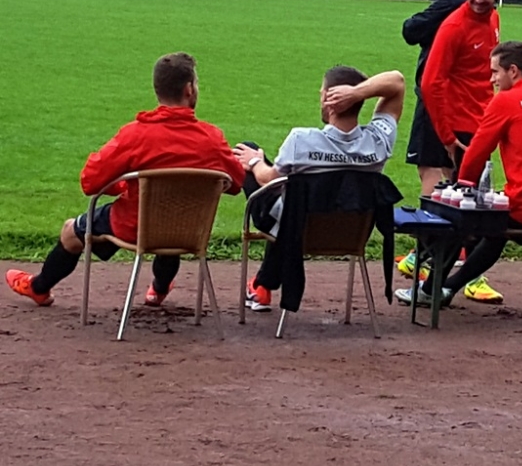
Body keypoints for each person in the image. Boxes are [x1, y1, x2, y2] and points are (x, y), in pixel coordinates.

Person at [6, 53, 245, 307]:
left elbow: (90, 182)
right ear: (189, 89)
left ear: (157, 90)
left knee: (70, 231)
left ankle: (39, 288)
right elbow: (236, 183)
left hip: (133, 225)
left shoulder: (135, 135)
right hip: (189, 228)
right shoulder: (212, 139)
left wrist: (124, 184)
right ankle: (159, 289)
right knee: (173, 220)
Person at [394, 41, 522, 307]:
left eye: (495, 72)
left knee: (456, 215)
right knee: (491, 230)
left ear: (512, 71)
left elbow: (476, 153)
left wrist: (462, 189)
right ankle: (447, 288)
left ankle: (430, 290)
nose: (491, 80)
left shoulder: (505, 100)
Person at [234, 66, 404, 312]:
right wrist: (357, 94)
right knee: (294, 202)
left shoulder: (301, 140)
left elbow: (267, 179)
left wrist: (254, 161)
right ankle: (263, 283)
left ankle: (263, 284)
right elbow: (397, 82)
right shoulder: (378, 143)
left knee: (256, 160)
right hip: (351, 233)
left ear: (328, 100)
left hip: (296, 231)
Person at [409, 0, 505, 303]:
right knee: (466, 206)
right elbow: (431, 82)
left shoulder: (493, 20)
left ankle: (436, 275)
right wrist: (447, 137)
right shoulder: (453, 26)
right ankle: (439, 281)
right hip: (457, 125)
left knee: (474, 202)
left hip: (480, 123)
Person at [402, 0, 482, 195]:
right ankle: (460, 215)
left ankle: (431, 219)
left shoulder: (453, 2)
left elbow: (411, 29)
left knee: (430, 166)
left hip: (437, 94)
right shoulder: (485, 11)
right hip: (466, 99)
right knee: (454, 166)